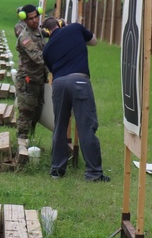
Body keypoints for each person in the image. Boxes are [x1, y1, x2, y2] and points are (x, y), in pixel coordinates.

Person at [41, 17, 110, 182]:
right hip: (79, 81)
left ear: (46, 32)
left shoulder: (47, 49)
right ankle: (94, 173)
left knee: (60, 126)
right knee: (86, 126)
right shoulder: (74, 28)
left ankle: (57, 170)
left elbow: (52, 70)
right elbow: (93, 41)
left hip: (58, 85)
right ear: (60, 23)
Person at [15, 4, 48, 142]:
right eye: (31, 19)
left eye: (36, 17)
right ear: (24, 20)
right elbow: (39, 58)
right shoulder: (25, 37)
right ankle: (21, 146)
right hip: (28, 81)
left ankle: (30, 143)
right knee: (26, 115)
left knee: (36, 114)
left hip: (39, 80)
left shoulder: (38, 32)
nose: (35, 20)